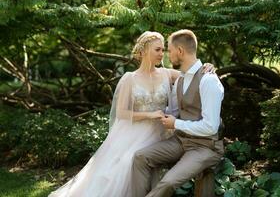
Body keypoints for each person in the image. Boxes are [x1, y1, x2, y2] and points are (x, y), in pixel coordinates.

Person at [48, 31, 180, 197]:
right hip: (135, 132)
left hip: (160, 132)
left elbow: (192, 76)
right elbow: (121, 112)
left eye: (163, 50)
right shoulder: (129, 79)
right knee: (126, 161)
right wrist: (150, 115)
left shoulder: (167, 73)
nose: (162, 54)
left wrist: (206, 67)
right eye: (158, 50)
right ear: (144, 51)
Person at [131, 29, 224, 197]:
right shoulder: (180, 79)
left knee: (168, 182)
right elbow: (172, 112)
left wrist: (176, 123)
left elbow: (211, 127)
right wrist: (145, 113)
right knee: (140, 157)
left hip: (205, 147)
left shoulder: (208, 80)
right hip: (181, 141)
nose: (167, 54)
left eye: (170, 50)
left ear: (180, 51)